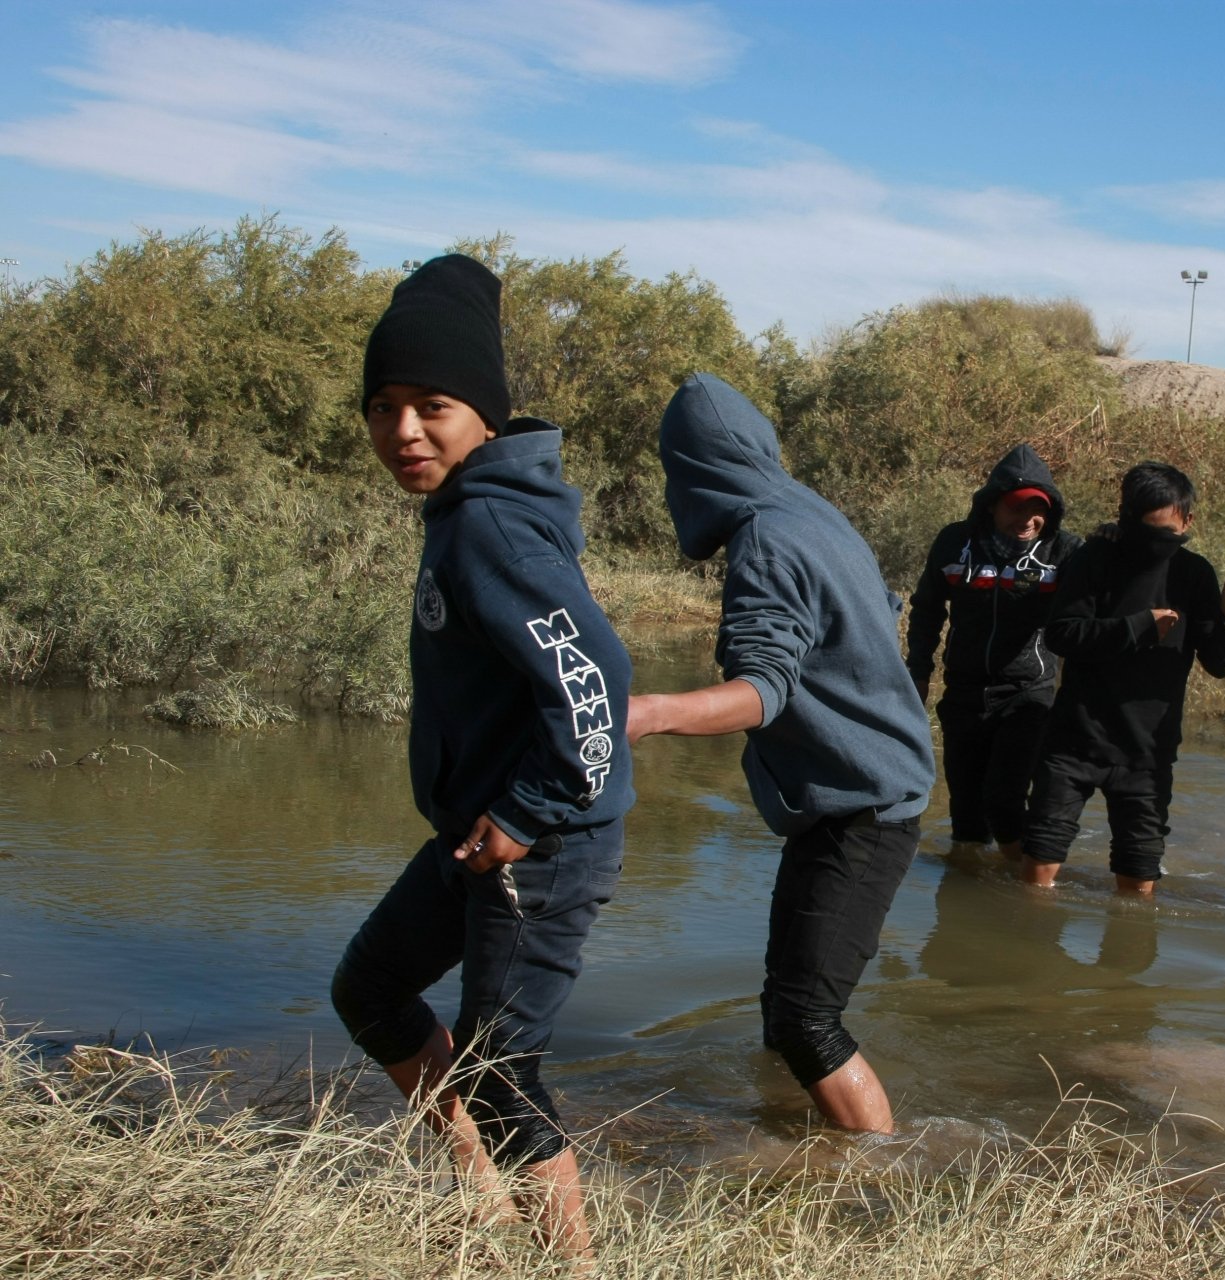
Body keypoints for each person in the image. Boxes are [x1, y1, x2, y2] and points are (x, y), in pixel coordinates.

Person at [329, 255, 636, 1258]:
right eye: (382, 407)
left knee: (502, 1066)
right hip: (483, 830)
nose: (404, 431)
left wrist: (526, 810)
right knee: (371, 985)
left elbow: (594, 674)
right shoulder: (470, 509)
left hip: (539, 844)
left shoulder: (490, 525)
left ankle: (572, 1261)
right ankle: (482, 1194)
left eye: (432, 405)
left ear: (485, 415)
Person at [629, 373, 936, 1135]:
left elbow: (762, 689)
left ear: (692, 469)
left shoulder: (766, 538)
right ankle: (792, 1145)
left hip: (862, 809)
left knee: (806, 1020)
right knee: (784, 1008)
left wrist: (648, 711)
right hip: (854, 795)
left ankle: (880, 1173)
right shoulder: (817, 516)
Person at [1022, 462, 1225, 895]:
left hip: (1148, 754)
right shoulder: (1093, 558)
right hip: (1075, 742)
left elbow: (1219, 662)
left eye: (1165, 535)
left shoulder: (1194, 574)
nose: (1153, 546)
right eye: (1142, 531)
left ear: (1188, 521)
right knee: (1036, 876)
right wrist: (1135, 628)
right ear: (1125, 517)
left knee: (1137, 888)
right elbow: (1062, 633)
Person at [905, 445, 1082, 859]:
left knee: (1003, 802)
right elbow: (927, 609)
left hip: (1028, 694)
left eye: (1036, 510)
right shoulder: (955, 543)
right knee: (966, 813)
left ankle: (1024, 887)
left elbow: (1087, 618)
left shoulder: (1067, 552)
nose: (1027, 520)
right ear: (991, 507)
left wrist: (1112, 541)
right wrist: (918, 669)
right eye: (1015, 509)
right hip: (964, 693)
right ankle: (967, 896)